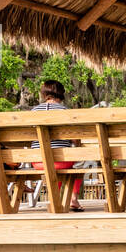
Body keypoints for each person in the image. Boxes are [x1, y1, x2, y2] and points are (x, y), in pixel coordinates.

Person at [31, 79, 83, 211]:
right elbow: (74, 139)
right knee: (78, 164)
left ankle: (57, 198)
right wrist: (77, 144)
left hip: (38, 161)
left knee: (58, 164)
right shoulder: (65, 111)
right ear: (61, 94)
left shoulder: (33, 112)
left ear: (44, 94)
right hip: (61, 161)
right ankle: (73, 199)